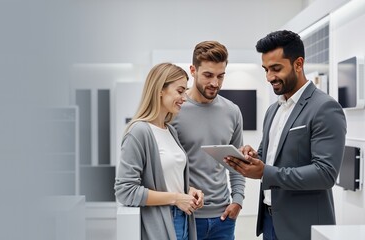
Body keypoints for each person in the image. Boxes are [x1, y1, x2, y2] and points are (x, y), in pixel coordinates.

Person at [224, 30, 347, 240]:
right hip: (270, 222)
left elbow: (325, 174)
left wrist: (265, 172)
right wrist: (251, 157)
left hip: (303, 227)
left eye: (276, 68)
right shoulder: (273, 110)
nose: (269, 77)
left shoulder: (325, 107)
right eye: (266, 69)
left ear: (298, 64)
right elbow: (267, 156)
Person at [114, 62, 204, 240]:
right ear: (160, 90)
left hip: (183, 218)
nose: (184, 98)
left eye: (185, 91)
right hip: (162, 221)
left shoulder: (170, 130)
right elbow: (125, 191)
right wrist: (176, 198)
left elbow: (168, 178)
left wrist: (188, 191)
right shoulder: (139, 132)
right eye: (180, 91)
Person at [171, 41, 246, 240]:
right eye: (208, 75)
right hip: (185, 215)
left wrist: (237, 200)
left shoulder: (232, 112)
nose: (215, 83)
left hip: (223, 218)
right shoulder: (174, 110)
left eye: (221, 76)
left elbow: (237, 164)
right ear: (193, 70)